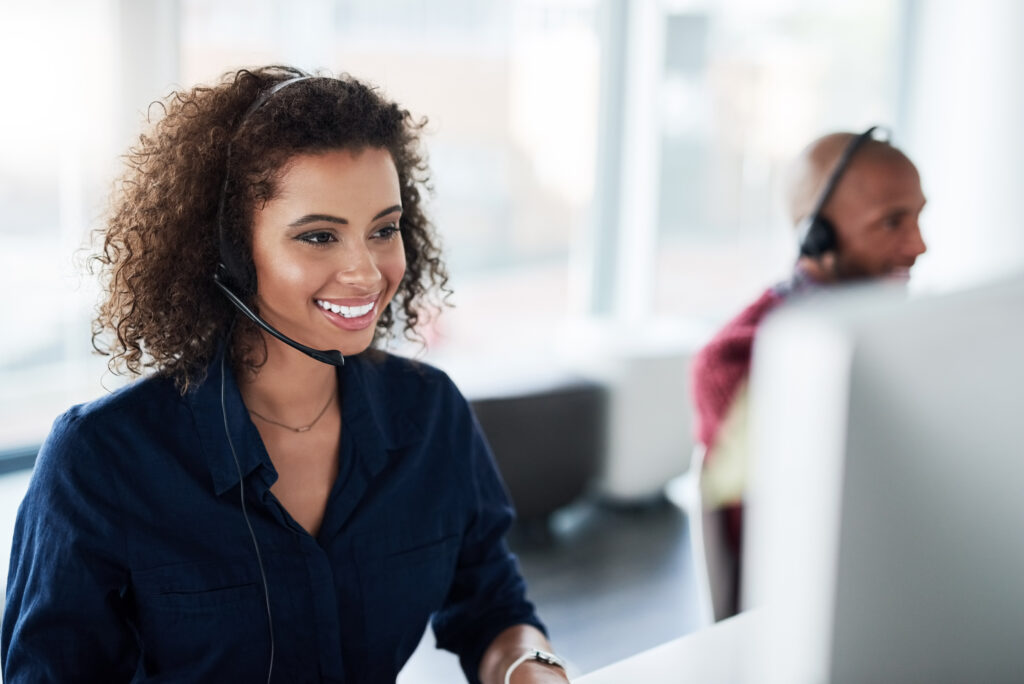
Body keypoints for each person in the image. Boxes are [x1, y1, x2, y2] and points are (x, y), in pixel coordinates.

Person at [1, 65, 570, 684]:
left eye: (383, 229)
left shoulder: (430, 413)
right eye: (319, 236)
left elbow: (493, 606)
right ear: (232, 254)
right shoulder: (101, 462)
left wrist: (528, 666)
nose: (367, 272)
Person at [690, 127, 928, 616]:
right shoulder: (739, 357)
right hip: (812, 611)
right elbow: (815, 514)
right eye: (892, 222)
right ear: (818, 234)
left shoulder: (909, 330)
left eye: (919, 218)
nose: (919, 245)